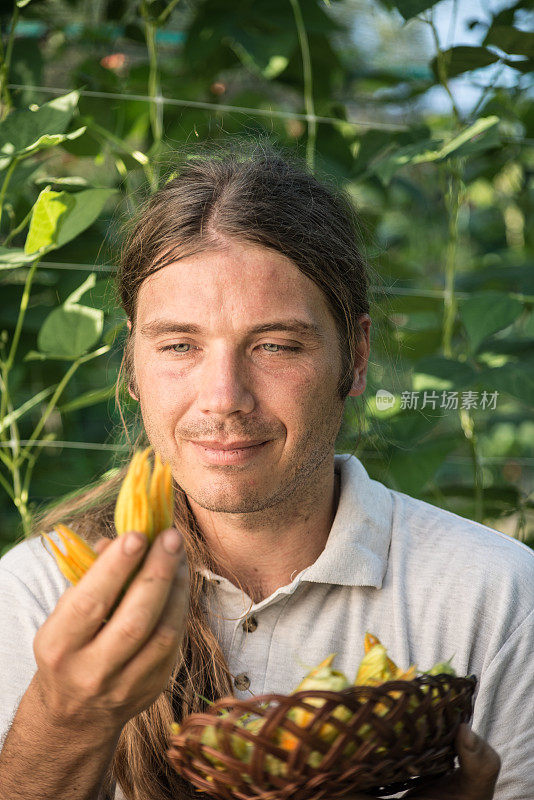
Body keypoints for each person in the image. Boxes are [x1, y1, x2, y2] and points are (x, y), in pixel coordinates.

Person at [0, 141, 529, 800]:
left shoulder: (500, 598)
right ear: (132, 365)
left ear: (355, 358)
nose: (224, 397)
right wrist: (69, 715)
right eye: (179, 346)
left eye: (275, 345)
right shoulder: (39, 593)